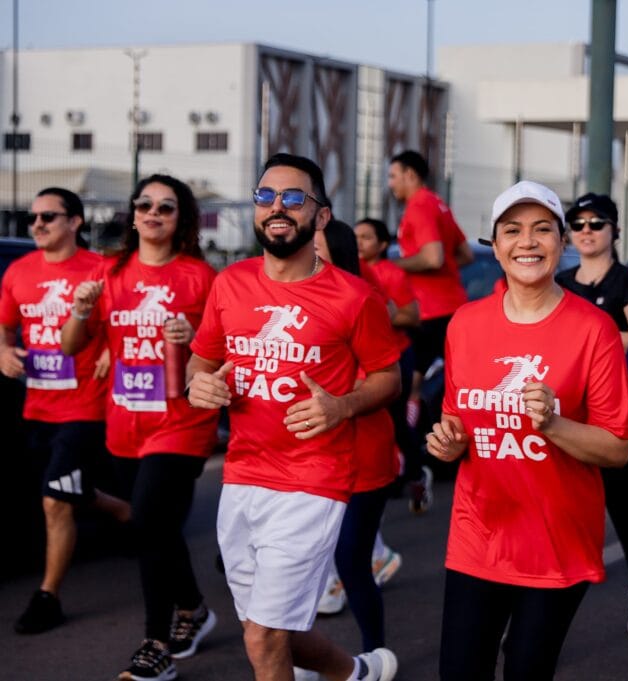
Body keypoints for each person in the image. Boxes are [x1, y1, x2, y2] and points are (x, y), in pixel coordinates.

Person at [186, 153, 401, 681]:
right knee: (267, 631)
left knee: (263, 638)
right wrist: (199, 383)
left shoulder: (355, 297)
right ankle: (357, 673)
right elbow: (201, 359)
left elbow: (387, 377)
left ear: (321, 216)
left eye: (293, 198)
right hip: (240, 477)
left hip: (313, 481)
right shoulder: (230, 282)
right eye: (265, 196)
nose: (276, 207)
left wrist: (342, 405)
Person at [426, 180, 628, 681]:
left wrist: (554, 423)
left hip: (555, 541)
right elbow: (457, 420)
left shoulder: (592, 328)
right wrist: (447, 443)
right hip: (479, 535)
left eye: (543, 229)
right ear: (494, 247)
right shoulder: (465, 324)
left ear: (561, 244)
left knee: (526, 671)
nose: (528, 241)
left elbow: (618, 447)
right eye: (513, 230)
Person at [62, 175, 221, 680]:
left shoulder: (201, 277)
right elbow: (71, 346)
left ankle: (156, 644)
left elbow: (222, 352)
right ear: (132, 215)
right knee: (154, 525)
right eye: (145, 204)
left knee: (149, 521)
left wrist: (194, 336)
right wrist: (81, 312)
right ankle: (194, 608)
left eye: (166, 207)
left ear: (181, 220)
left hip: (182, 420)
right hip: (126, 421)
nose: (154, 213)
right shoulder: (109, 274)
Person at [1, 187, 129, 635]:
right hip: (36, 402)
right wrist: (2, 350)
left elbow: (127, 320)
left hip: (84, 405)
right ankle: (127, 513)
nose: (37, 225)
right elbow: (7, 324)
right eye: (33, 217)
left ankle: (48, 596)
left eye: (48, 217)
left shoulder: (100, 269)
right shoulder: (18, 271)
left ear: (74, 222)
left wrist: (114, 350)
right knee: (62, 488)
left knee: (55, 500)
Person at [555, 193, 628, 637]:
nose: (586, 231)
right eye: (577, 224)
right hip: (564, 412)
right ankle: (544, 597)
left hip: (619, 407)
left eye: (597, 223)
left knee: (621, 505)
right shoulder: (559, 279)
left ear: (615, 230)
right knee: (558, 505)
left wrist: (590, 333)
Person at [310, 218, 402, 655]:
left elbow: (383, 381)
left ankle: (374, 653)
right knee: (298, 564)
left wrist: (337, 399)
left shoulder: (363, 302)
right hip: (303, 457)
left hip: (362, 453)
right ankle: (299, 654)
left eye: (316, 250)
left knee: (350, 559)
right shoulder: (287, 301)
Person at [388, 149, 470, 512]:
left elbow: (435, 257)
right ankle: (425, 459)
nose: (390, 184)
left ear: (409, 175)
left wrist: (394, 265)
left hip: (431, 312)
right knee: (441, 385)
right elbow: (462, 254)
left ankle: (415, 463)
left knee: (406, 385)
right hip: (449, 307)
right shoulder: (439, 204)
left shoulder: (420, 206)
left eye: (393, 176)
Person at [354, 217, 424, 517]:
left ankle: (414, 473)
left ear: (383, 244)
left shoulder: (392, 274)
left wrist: (378, 316)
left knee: (394, 419)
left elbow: (412, 317)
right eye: (355, 236)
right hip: (366, 359)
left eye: (366, 237)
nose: (359, 242)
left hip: (397, 355)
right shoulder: (350, 270)